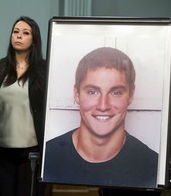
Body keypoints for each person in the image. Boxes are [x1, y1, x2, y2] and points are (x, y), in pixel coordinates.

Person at [43, 47, 159, 189]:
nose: (103, 105)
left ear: (131, 94)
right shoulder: (48, 156)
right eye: (92, 92)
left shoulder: (152, 165)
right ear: (76, 94)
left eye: (116, 92)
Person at [0, 16, 47, 196]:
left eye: (25, 33)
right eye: (15, 32)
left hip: (31, 152)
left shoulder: (44, 70)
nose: (19, 36)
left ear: (34, 40)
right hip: (1, 151)